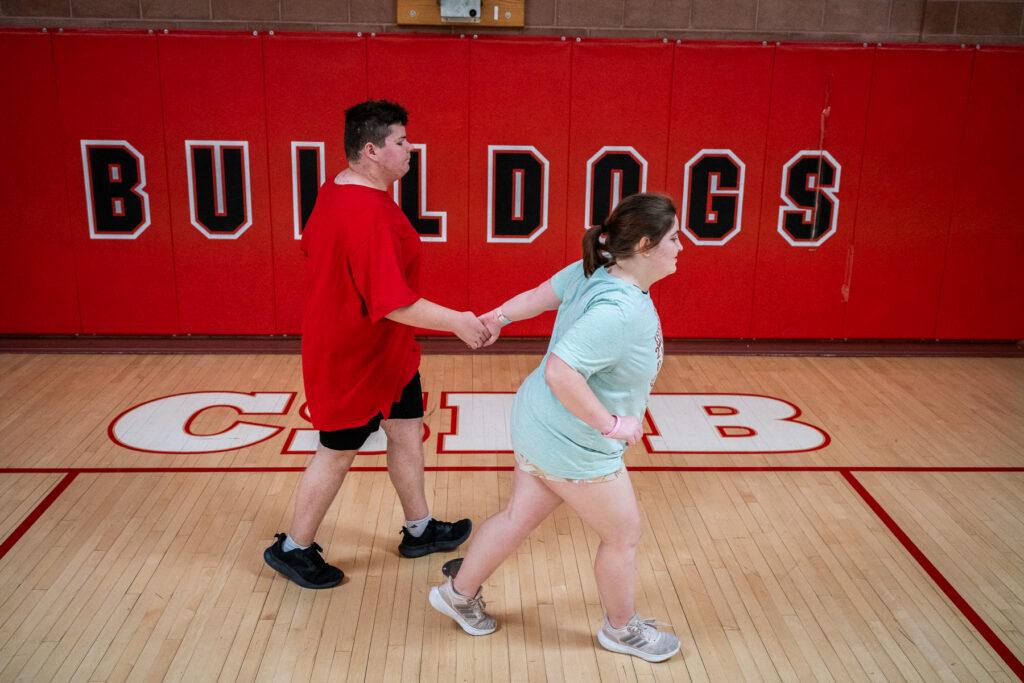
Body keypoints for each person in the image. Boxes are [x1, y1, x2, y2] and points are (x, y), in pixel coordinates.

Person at [428, 193, 683, 662]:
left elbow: (540, 296)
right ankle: (622, 631)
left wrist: (498, 316)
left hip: (540, 425)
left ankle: (457, 595)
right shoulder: (618, 309)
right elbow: (561, 372)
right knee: (622, 536)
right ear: (645, 245)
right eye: (673, 238)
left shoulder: (598, 268)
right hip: (572, 443)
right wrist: (611, 424)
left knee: (517, 518)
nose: (680, 247)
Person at [264, 100, 488, 589]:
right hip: (351, 357)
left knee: (406, 429)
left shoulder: (339, 188)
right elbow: (391, 302)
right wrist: (459, 322)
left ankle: (420, 529)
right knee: (336, 452)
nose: (411, 150)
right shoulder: (367, 216)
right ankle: (293, 547)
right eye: (402, 142)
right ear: (371, 150)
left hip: (387, 352)